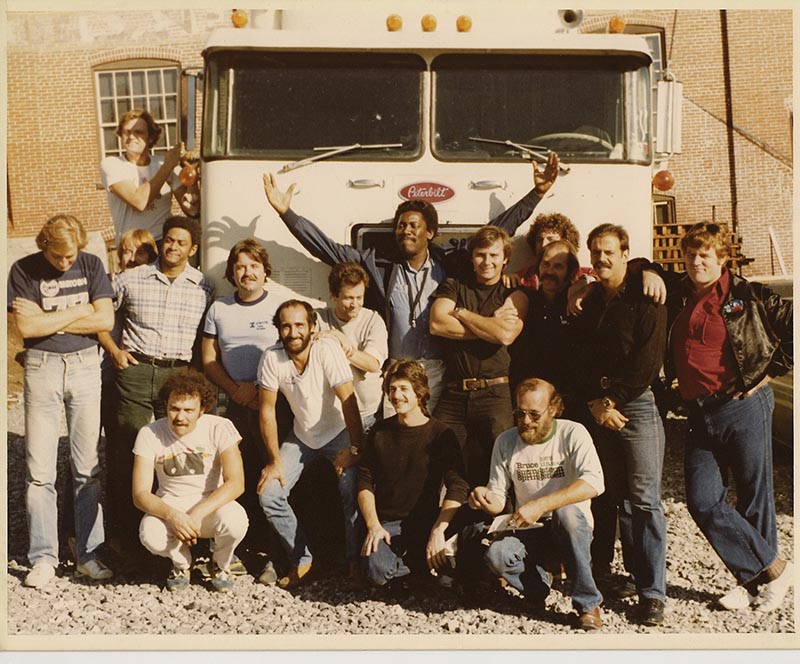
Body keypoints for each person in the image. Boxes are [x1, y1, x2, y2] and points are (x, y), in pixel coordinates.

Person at [262, 152, 559, 413]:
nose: (406, 230)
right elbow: (329, 250)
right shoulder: (377, 264)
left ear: (430, 232)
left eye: (414, 225)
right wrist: (287, 214)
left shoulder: (451, 261)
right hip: (397, 369)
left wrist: (536, 194)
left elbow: (495, 232)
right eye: (401, 225)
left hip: (441, 371)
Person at [670, 222, 793, 612]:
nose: (696, 261)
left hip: (741, 405)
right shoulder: (680, 294)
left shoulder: (748, 295)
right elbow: (641, 267)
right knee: (703, 499)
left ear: (723, 259)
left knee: (753, 494)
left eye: (705, 254)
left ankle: (757, 583)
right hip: (699, 411)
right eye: (690, 254)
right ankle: (771, 570)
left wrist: (765, 375)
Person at [8, 214, 115, 588]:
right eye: (58, 258)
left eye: (71, 257)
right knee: (40, 472)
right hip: (42, 367)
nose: (66, 264)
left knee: (87, 466)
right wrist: (80, 311)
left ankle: (87, 553)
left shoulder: (92, 264)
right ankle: (43, 557)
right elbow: (27, 328)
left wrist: (51, 317)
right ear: (44, 246)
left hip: (86, 366)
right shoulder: (23, 270)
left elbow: (105, 319)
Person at [100, 215, 214, 558]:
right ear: (161, 241)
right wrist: (114, 349)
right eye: (169, 239)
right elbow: (100, 314)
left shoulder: (203, 286)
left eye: (181, 242)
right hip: (135, 371)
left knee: (173, 455)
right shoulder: (131, 279)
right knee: (128, 453)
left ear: (192, 249)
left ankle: (176, 536)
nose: (173, 246)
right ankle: (126, 539)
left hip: (176, 376)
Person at [571, 223, 668, 626]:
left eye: (609, 251)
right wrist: (596, 404)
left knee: (644, 499)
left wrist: (612, 402)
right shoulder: (590, 300)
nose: (601, 259)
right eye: (595, 252)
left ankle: (652, 592)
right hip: (600, 406)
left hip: (636, 405)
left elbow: (647, 363)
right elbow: (580, 358)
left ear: (626, 254)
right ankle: (611, 577)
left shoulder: (647, 295)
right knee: (608, 496)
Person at [459, 378, 605, 630]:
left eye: (534, 414)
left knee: (567, 513)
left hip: (570, 528)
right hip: (530, 529)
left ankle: (587, 603)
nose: (526, 421)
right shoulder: (506, 441)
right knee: (497, 555)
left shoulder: (572, 433)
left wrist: (540, 504)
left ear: (553, 409)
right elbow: (497, 498)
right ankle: (537, 589)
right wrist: (482, 498)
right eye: (520, 413)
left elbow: (594, 483)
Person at [201, 238, 300, 581]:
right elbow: (209, 359)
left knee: (272, 478)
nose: (248, 272)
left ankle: (277, 557)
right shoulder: (219, 309)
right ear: (232, 272)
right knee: (237, 477)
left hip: (274, 406)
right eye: (241, 266)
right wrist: (236, 391)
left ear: (264, 270)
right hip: (237, 405)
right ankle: (238, 551)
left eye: (254, 265)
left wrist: (263, 392)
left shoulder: (281, 305)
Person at [256, 300, 363, 588]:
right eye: (286, 326)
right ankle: (302, 558)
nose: (293, 332)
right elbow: (267, 409)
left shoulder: (325, 349)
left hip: (338, 432)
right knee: (269, 493)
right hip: (301, 437)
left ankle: (355, 562)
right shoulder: (271, 357)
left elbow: (348, 400)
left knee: (351, 486)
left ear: (312, 326)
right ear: (279, 329)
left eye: (299, 325)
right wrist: (275, 460)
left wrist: (355, 450)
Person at [132, 369, 248, 592]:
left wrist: (198, 513)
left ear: (202, 409)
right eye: (174, 409)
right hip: (171, 505)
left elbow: (236, 482)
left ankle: (221, 563)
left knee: (236, 522)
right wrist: (172, 516)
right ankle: (181, 563)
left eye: (188, 410)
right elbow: (140, 493)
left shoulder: (220, 427)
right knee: (150, 535)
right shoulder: (149, 433)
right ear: (166, 405)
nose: (180, 417)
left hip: (210, 506)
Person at [429, 225, 528, 487]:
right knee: (435, 458)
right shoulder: (454, 285)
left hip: (495, 396)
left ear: (505, 259)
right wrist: (488, 327)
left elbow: (506, 335)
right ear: (472, 257)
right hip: (454, 394)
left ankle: (498, 527)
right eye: (481, 254)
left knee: (501, 467)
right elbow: (437, 323)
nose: (487, 262)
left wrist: (462, 314)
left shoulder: (514, 294)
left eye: (494, 256)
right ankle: (436, 526)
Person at [357, 360, 469, 588]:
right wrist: (373, 525)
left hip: (426, 523)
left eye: (403, 389)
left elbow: (458, 485)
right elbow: (364, 481)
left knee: (450, 571)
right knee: (375, 569)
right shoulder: (380, 432)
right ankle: (420, 573)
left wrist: (439, 530)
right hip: (387, 525)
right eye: (392, 389)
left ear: (420, 393)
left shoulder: (441, 434)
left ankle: (413, 573)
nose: (396, 395)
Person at [100, 228, 158, 553]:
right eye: (126, 251)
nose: (131, 258)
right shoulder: (111, 285)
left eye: (141, 252)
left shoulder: (149, 287)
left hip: (126, 377)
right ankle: (118, 533)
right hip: (106, 378)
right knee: (117, 455)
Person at [100, 108, 198, 246]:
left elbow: (191, 209)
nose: (131, 137)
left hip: (163, 244)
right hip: (133, 246)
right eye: (126, 132)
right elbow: (139, 201)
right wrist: (168, 165)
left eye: (138, 132)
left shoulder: (162, 164)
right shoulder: (112, 165)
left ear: (150, 137)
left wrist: (192, 173)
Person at [315, 262, 388, 431]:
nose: (355, 304)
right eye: (348, 298)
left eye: (359, 297)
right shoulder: (319, 318)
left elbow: (372, 364)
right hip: (330, 415)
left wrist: (342, 343)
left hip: (366, 414)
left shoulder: (373, 320)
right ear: (333, 296)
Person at [509, 239, 581, 403]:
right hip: (531, 398)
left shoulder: (579, 303)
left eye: (558, 266)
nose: (549, 271)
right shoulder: (526, 300)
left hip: (569, 397)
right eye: (545, 264)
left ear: (570, 271)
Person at [516, 213, 583, 289]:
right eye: (539, 240)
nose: (543, 244)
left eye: (551, 239)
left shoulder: (585, 276)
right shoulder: (522, 278)